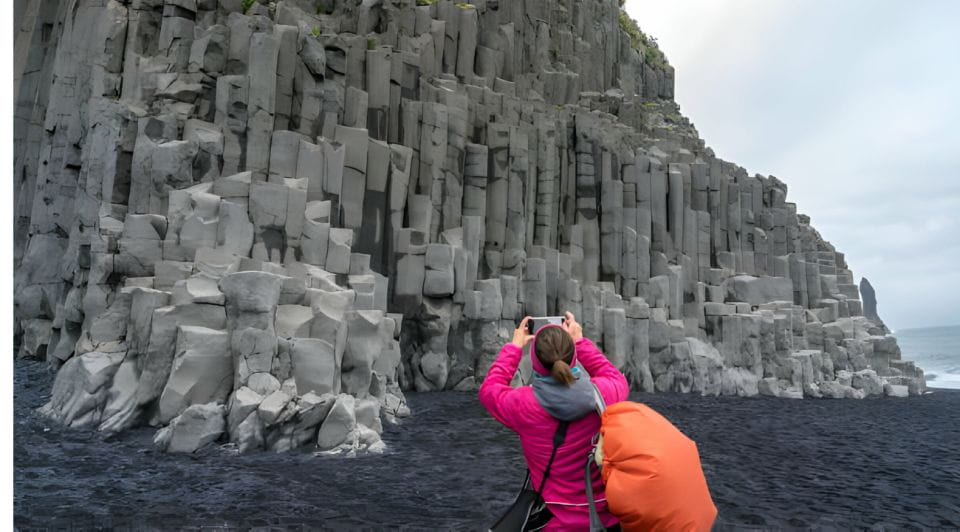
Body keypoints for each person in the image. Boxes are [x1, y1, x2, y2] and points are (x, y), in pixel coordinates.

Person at [479, 312, 629, 531]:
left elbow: (490, 389)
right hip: (605, 520)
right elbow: (615, 377)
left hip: (556, 522)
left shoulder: (523, 405)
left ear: (536, 362)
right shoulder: (603, 394)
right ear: (573, 356)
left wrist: (514, 347)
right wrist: (580, 341)